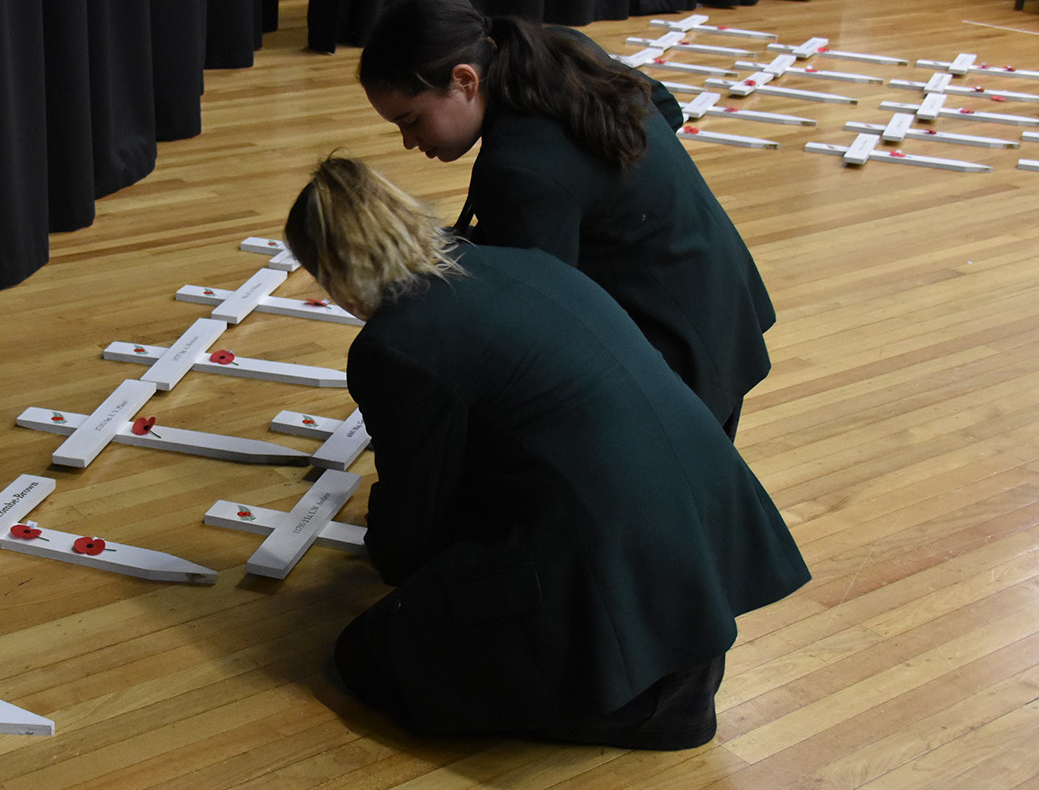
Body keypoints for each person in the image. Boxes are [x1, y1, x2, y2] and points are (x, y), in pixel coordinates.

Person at [285, 156, 810, 748]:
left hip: (613, 557)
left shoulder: (397, 343)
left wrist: (397, 568)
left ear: (335, 269)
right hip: (702, 530)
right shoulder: (520, 262)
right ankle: (655, 674)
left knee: (369, 655)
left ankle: (643, 705)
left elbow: (416, 512)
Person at [358, 0, 775, 440]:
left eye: (411, 119)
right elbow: (664, 106)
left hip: (674, 358)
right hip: (722, 303)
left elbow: (535, 327)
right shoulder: (554, 48)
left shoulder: (518, 169)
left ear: (465, 80)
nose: (408, 141)